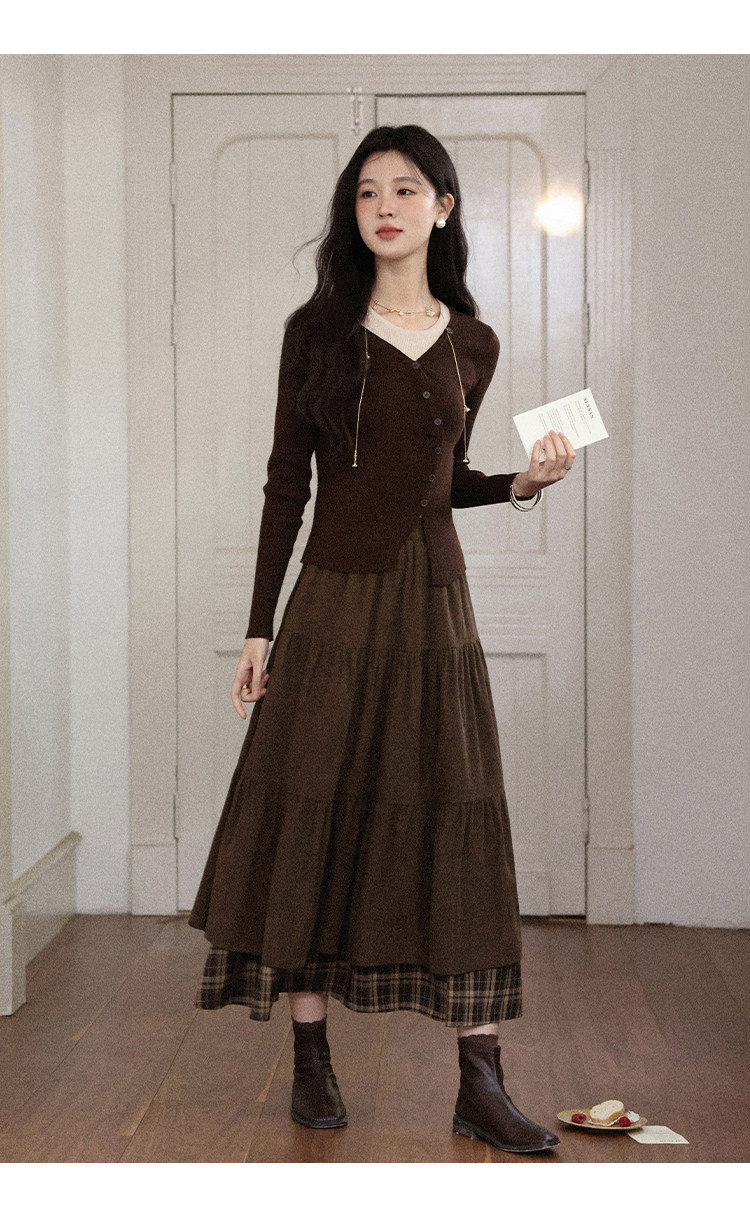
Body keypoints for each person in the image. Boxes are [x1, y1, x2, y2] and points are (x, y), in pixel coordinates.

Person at [188, 124, 575, 1154]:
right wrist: (259, 626)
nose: (385, 207)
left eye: (406, 189)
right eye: (367, 192)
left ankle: (480, 1080)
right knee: (316, 800)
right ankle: (311, 1056)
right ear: (352, 213)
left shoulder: (473, 342)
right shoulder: (316, 333)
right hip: (333, 603)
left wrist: (523, 482)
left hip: (434, 607)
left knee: (454, 810)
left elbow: (444, 482)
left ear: (443, 207)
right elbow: (287, 484)